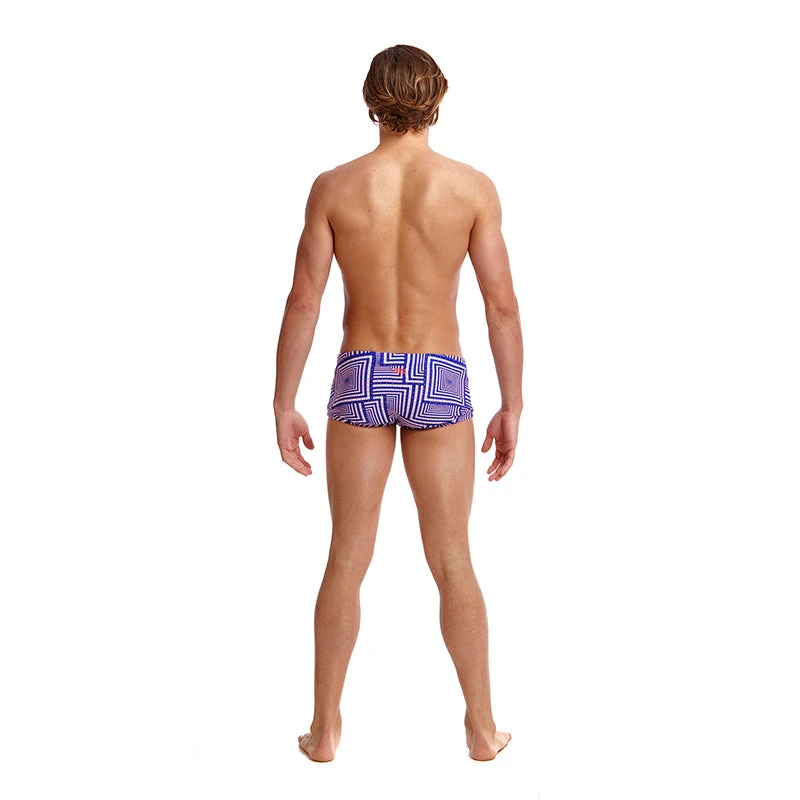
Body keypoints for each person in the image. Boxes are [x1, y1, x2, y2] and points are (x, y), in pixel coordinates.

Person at [273, 44, 522, 762]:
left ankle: (325, 730)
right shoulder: (471, 188)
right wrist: (512, 404)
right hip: (438, 372)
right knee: (452, 558)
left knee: (346, 556)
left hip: (363, 372)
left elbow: (304, 300)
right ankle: (481, 729)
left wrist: (283, 401)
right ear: (436, 97)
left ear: (370, 98)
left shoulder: (334, 187)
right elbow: (501, 306)